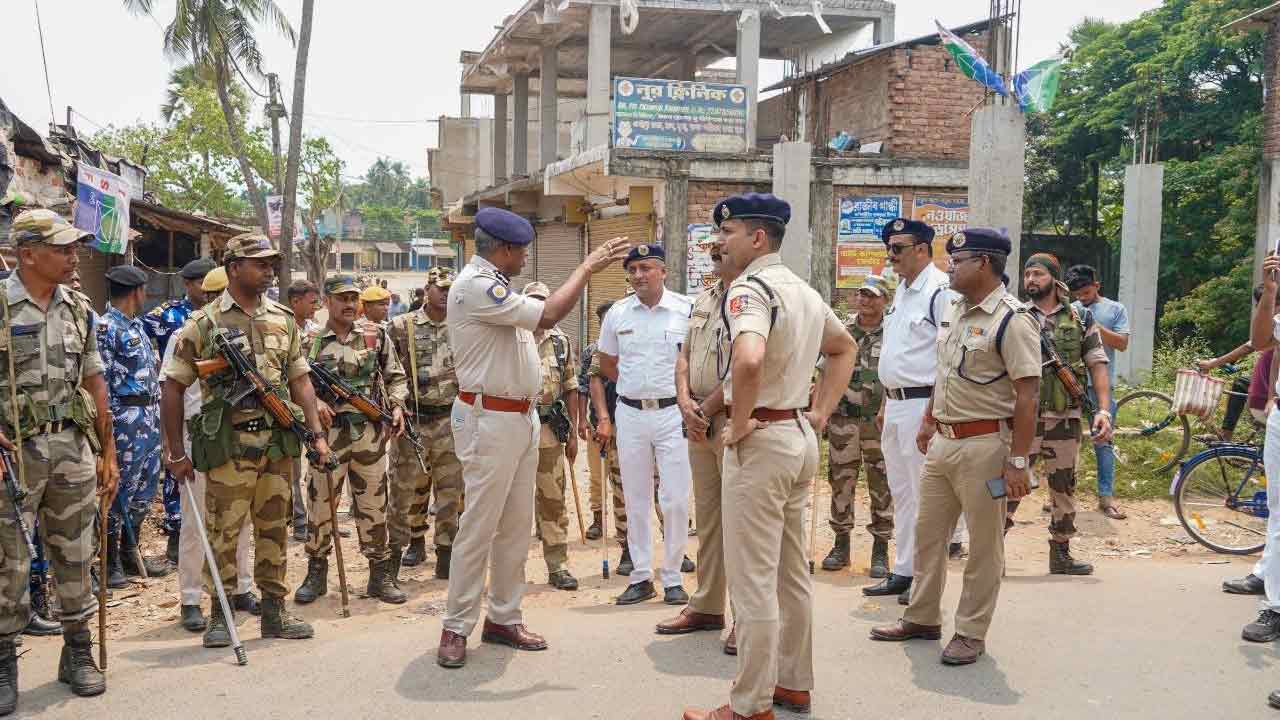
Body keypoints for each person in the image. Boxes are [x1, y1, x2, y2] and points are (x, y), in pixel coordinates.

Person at [681, 193, 856, 720]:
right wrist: (819, 413)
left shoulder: (749, 291)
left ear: (758, 238)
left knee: (754, 579)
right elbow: (843, 346)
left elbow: (749, 358)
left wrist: (736, 424)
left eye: (727, 233)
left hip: (761, 441)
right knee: (789, 574)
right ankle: (793, 684)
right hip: (796, 435)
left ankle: (749, 704)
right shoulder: (801, 289)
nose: (717, 241)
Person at [436, 208, 629, 669]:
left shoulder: (497, 286)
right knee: (480, 526)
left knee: (516, 526)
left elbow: (538, 325)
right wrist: (587, 266)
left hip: (520, 418)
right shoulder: (476, 286)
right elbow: (553, 312)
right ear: (503, 250)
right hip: (489, 418)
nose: (525, 256)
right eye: (522, 249)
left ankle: (503, 616)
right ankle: (455, 625)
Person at [870, 228, 1040, 665]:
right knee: (929, 535)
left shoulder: (1012, 318)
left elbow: (1028, 395)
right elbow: (943, 374)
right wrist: (928, 420)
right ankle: (923, 616)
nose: (950, 268)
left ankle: (970, 631)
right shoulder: (957, 311)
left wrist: (1018, 461)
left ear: (984, 263)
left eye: (959, 261)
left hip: (986, 445)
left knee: (984, 545)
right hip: (943, 441)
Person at [161, 232, 331, 649]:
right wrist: (176, 452)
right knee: (224, 532)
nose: (270, 270)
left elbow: (301, 381)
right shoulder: (204, 323)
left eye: (272, 262)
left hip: (277, 447)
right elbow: (173, 387)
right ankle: (221, 614)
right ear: (234, 267)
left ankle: (274, 612)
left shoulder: (283, 319)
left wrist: (318, 435)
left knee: (274, 529)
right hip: (229, 449)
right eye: (260, 263)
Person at [0, 209, 120, 714]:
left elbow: (94, 381)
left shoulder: (78, 307)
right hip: (15, 454)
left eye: (76, 247)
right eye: (63, 247)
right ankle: (5, 661)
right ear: (28, 254)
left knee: (77, 551)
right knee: (8, 561)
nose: (75, 256)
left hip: (72, 447)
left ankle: (77, 653)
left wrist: (108, 451)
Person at [293, 275, 409, 606]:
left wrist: (398, 406)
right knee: (320, 504)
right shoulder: (308, 340)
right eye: (340, 298)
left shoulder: (375, 336)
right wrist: (314, 402)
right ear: (325, 301)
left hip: (369, 436)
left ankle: (379, 574)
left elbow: (395, 376)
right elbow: (292, 382)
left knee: (374, 505)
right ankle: (317, 572)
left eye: (353, 298)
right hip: (326, 437)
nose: (348, 304)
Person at [866, 218, 965, 605]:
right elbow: (898, 354)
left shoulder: (940, 291)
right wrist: (885, 401)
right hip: (895, 404)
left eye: (898, 248)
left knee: (928, 497)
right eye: (888, 248)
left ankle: (926, 580)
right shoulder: (904, 291)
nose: (890, 256)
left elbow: (947, 358)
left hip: (923, 404)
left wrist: (931, 414)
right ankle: (904, 570)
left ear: (922, 249)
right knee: (902, 493)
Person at [598, 244, 694, 607]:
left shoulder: (686, 310)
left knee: (674, 499)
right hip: (632, 412)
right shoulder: (618, 314)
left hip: (674, 414)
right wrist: (635, 388)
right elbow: (608, 363)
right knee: (635, 497)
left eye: (646, 268)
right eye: (633, 269)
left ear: (663, 271)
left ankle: (672, 577)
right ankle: (640, 576)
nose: (638, 275)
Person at [1006, 253, 1113, 575]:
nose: (1030, 281)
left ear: (1053, 278)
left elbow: (1097, 363)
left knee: (1064, 488)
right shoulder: (1015, 316)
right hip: (1023, 421)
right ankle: (990, 552)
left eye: (1037, 274)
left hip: (1066, 418)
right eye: (1027, 275)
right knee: (1009, 485)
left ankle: (1061, 554)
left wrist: (1103, 410)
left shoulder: (1079, 318)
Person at [169, 266, 259, 632]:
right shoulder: (186, 333)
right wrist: (174, 451)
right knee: (196, 523)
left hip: (238, 437)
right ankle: (191, 598)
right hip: (200, 440)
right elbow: (170, 394)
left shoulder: (249, 334)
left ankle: (241, 588)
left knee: (240, 519)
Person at [658, 233, 736, 649]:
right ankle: (707, 605)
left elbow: (745, 365)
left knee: (742, 525)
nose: (716, 258)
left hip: (730, 422)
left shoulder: (748, 299)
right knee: (708, 520)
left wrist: (702, 409)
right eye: (712, 253)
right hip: (699, 422)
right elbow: (685, 354)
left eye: (721, 252)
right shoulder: (705, 299)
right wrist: (685, 401)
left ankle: (747, 618)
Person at [99, 266, 173, 589]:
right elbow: (100, 381)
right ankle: (110, 560)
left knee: (143, 491)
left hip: (149, 416)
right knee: (119, 491)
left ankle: (132, 552)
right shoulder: (106, 328)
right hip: (125, 420)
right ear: (136, 291)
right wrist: (107, 432)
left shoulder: (137, 327)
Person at [387, 267, 463, 579]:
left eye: (450, 289)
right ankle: (394, 556)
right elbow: (386, 371)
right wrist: (394, 407)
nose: (445, 294)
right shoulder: (400, 326)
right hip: (414, 420)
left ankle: (446, 555)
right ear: (426, 289)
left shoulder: (463, 326)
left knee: (450, 493)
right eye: (440, 288)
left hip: (451, 419)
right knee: (403, 493)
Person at [143, 257, 216, 565]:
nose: (207, 289)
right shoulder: (167, 316)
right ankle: (177, 538)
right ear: (188, 284)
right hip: (181, 402)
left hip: (212, 409)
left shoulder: (221, 315)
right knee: (178, 480)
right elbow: (146, 346)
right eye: (201, 282)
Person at [822, 274, 894, 577]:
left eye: (873, 296)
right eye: (862, 295)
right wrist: (820, 413)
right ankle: (841, 544)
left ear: (885, 300)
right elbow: (824, 373)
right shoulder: (841, 331)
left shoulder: (894, 332)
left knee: (883, 485)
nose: (865, 300)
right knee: (841, 481)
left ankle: (881, 549)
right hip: (844, 420)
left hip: (879, 422)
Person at [522, 282, 581, 590]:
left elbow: (571, 387)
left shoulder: (560, 341)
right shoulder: (512, 335)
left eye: (543, 302)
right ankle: (510, 570)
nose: (539, 307)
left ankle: (558, 566)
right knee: (511, 503)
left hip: (548, 430)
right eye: (533, 302)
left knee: (553, 499)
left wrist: (571, 433)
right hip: (514, 427)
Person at [1066, 264, 1130, 520]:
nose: (1081, 297)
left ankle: (1106, 498)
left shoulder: (1115, 309)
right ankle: (1060, 495)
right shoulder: (1069, 310)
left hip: (1100, 387)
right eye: (1077, 293)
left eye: (1086, 291)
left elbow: (1122, 343)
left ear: (1097, 286)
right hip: (1070, 384)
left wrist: (1092, 325)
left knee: (1103, 442)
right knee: (1065, 442)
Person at [285, 279, 322, 541]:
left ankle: (315, 520)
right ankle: (299, 521)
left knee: (317, 465)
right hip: (287, 409)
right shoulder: (282, 327)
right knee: (292, 469)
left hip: (314, 407)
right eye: (311, 302)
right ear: (295, 301)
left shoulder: (316, 331)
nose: (316, 307)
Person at [576, 303, 614, 541]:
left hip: (629, 425)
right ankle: (598, 521)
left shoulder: (629, 347)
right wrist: (583, 421)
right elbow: (582, 387)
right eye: (604, 321)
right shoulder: (592, 351)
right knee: (598, 476)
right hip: (597, 426)